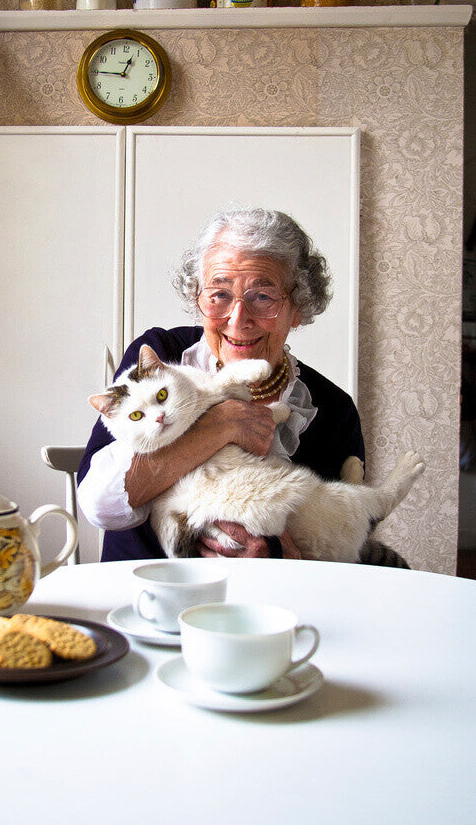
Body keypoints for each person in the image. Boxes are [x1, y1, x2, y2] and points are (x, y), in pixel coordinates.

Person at [77, 207, 365, 562]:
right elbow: (99, 505)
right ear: (198, 298)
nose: (238, 319)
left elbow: (347, 540)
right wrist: (223, 425)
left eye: (263, 296)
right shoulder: (162, 360)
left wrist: (279, 554)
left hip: (275, 606)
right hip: (147, 593)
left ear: (299, 306)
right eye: (220, 294)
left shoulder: (334, 410)